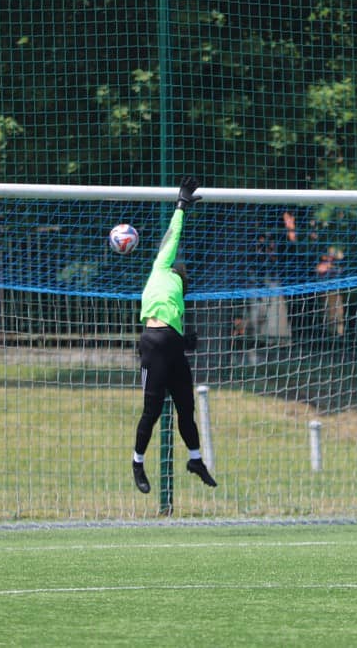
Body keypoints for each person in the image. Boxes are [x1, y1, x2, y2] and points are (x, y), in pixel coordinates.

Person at [131, 176, 217, 493]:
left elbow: (174, 331)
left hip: (171, 349)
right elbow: (173, 235)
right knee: (152, 411)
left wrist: (186, 341)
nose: (183, 270)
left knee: (185, 407)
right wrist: (181, 205)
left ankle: (195, 459)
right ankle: (137, 463)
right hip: (153, 346)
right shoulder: (161, 267)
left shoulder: (178, 297)